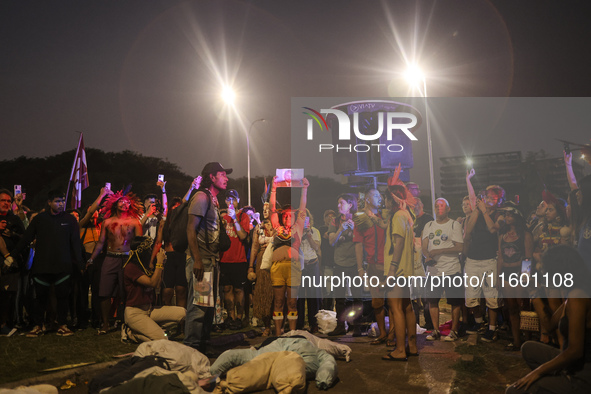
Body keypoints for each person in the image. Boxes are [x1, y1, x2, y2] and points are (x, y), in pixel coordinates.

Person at [507, 246, 591, 394]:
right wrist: (534, 292)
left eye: (546, 269)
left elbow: (575, 351)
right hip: (572, 363)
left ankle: (562, 384)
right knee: (529, 349)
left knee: (514, 391)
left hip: (582, 374)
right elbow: (549, 325)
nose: (543, 272)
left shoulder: (578, 296)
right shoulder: (573, 292)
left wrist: (538, 372)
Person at [14, 190, 83, 337]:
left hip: (63, 266)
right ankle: (38, 326)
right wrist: (12, 255)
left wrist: (80, 263)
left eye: (62, 201)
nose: (61, 204)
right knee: (40, 298)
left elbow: (75, 243)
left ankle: (62, 325)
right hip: (42, 266)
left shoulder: (70, 220)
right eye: (57, 201)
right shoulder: (39, 219)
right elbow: (26, 238)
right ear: (49, 202)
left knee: (63, 297)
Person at [184, 162, 231, 353]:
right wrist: (196, 259)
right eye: (222, 174)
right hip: (201, 261)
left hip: (210, 261)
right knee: (199, 308)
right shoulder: (202, 197)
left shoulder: (212, 199)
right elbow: (190, 229)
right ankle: (191, 350)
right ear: (211, 177)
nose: (226, 178)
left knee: (207, 308)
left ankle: (201, 347)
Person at [87, 190, 143, 334]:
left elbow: (140, 243)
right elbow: (100, 243)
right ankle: (105, 324)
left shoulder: (134, 222)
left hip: (128, 258)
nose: (125, 203)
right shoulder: (107, 222)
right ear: (114, 204)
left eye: (127, 202)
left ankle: (127, 323)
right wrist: (91, 258)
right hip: (110, 257)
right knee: (104, 292)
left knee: (127, 293)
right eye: (121, 201)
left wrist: (139, 262)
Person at [122, 236, 185, 342]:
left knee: (183, 313)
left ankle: (148, 329)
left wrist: (162, 265)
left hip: (150, 310)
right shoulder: (131, 267)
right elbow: (153, 283)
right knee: (162, 338)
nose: (151, 251)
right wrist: (159, 263)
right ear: (142, 252)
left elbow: (158, 283)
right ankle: (132, 334)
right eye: (149, 249)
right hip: (135, 313)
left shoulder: (144, 266)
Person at [268, 176, 309, 336]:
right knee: (278, 301)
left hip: (293, 268)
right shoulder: (277, 227)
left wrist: (305, 189)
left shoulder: (298, 227)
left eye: (290, 215)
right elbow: (272, 208)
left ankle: (292, 333)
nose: (287, 217)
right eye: (284, 215)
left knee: (292, 302)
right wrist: (273, 188)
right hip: (277, 268)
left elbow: (303, 207)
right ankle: (278, 333)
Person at [464, 184, 505, 342]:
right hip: (473, 259)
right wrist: (477, 210)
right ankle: (479, 322)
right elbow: (468, 231)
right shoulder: (478, 212)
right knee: (472, 296)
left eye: (492, 198)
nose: (488, 200)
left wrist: (485, 211)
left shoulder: (499, 215)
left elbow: (492, 229)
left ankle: (492, 328)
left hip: (489, 259)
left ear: (499, 199)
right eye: (486, 197)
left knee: (491, 297)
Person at [382, 184, 417, 361]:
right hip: (406, 270)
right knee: (407, 307)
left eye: (386, 198)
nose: (384, 202)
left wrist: (391, 270)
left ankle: (400, 350)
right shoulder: (406, 215)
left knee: (396, 309)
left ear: (392, 199)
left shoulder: (397, 216)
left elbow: (399, 244)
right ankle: (412, 346)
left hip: (397, 270)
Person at [422, 198, 464, 342]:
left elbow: (460, 247)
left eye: (442, 206)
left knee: (455, 301)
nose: (438, 208)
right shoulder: (428, 225)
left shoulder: (454, 225)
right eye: (436, 206)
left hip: (452, 269)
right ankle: (435, 330)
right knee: (433, 301)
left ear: (448, 209)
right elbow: (424, 246)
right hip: (434, 270)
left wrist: (439, 250)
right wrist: (427, 256)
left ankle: (454, 331)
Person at [353, 189, 390, 345]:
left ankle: (393, 334)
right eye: (375, 195)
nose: (379, 198)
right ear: (367, 199)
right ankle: (382, 333)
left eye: (380, 195)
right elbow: (358, 245)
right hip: (373, 266)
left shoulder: (386, 216)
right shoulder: (360, 219)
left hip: (389, 265)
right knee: (377, 302)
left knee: (394, 302)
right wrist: (360, 268)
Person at [497, 206, 533, 351]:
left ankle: (528, 340)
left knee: (523, 307)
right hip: (506, 273)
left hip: (519, 273)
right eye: (505, 214)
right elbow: (499, 258)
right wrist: (498, 277)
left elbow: (528, 257)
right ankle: (517, 341)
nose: (506, 217)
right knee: (511, 308)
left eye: (510, 214)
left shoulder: (525, 235)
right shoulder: (502, 236)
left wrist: (526, 277)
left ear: (517, 217)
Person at [328, 193, 361, 337]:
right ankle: (340, 325)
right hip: (339, 263)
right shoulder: (335, 221)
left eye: (341, 203)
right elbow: (331, 242)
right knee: (340, 297)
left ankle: (358, 327)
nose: (338, 206)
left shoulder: (358, 219)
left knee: (357, 296)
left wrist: (354, 228)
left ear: (350, 205)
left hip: (354, 263)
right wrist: (340, 229)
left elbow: (363, 240)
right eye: (338, 203)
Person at [219, 189, 251, 330]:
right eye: (228, 199)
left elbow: (243, 236)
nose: (230, 202)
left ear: (238, 201)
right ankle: (230, 316)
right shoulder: (222, 218)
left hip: (239, 259)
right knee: (227, 289)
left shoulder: (243, 216)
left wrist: (235, 219)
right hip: (224, 259)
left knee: (239, 289)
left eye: (233, 199)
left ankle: (239, 317)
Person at [249, 208, 275, 336]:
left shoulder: (277, 226)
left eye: (267, 208)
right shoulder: (258, 227)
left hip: (275, 260)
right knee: (264, 293)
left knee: (276, 293)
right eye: (263, 209)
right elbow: (254, 247)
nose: (265, 211)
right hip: (261, 262)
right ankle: (267, 326)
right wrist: (251, 267)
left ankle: (279, 324)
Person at [297, 209, 321, 332]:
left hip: (312, 265)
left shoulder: (315, 231)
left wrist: (309, 234)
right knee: (299, 295)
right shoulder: (296, 231)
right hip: (300, 266)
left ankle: (314, 323)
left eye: (306, 217)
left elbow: (316, 247)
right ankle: (299, 323)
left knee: (313, 295)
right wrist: (301, 233)